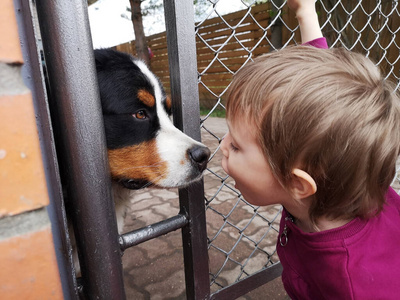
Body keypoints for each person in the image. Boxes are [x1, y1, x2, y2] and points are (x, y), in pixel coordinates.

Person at [220, 0, 400, 299]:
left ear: (297, 182)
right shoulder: (341, 174)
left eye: (236, 145)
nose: (222, 145)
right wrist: (305, 12)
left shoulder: (352, 284)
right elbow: (316, 83)